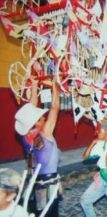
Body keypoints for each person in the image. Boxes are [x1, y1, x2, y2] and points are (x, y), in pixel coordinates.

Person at [14, 78, 60, 217]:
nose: (44, 118)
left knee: (39, 211)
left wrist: (34, 86)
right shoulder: (45, 132)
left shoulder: (26, 136)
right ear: (36, 122)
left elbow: (30, 109)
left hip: (35, 180)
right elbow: (55, 108)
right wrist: (55, 88)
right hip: (49, 182)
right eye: (41, 118)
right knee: (49, 213)